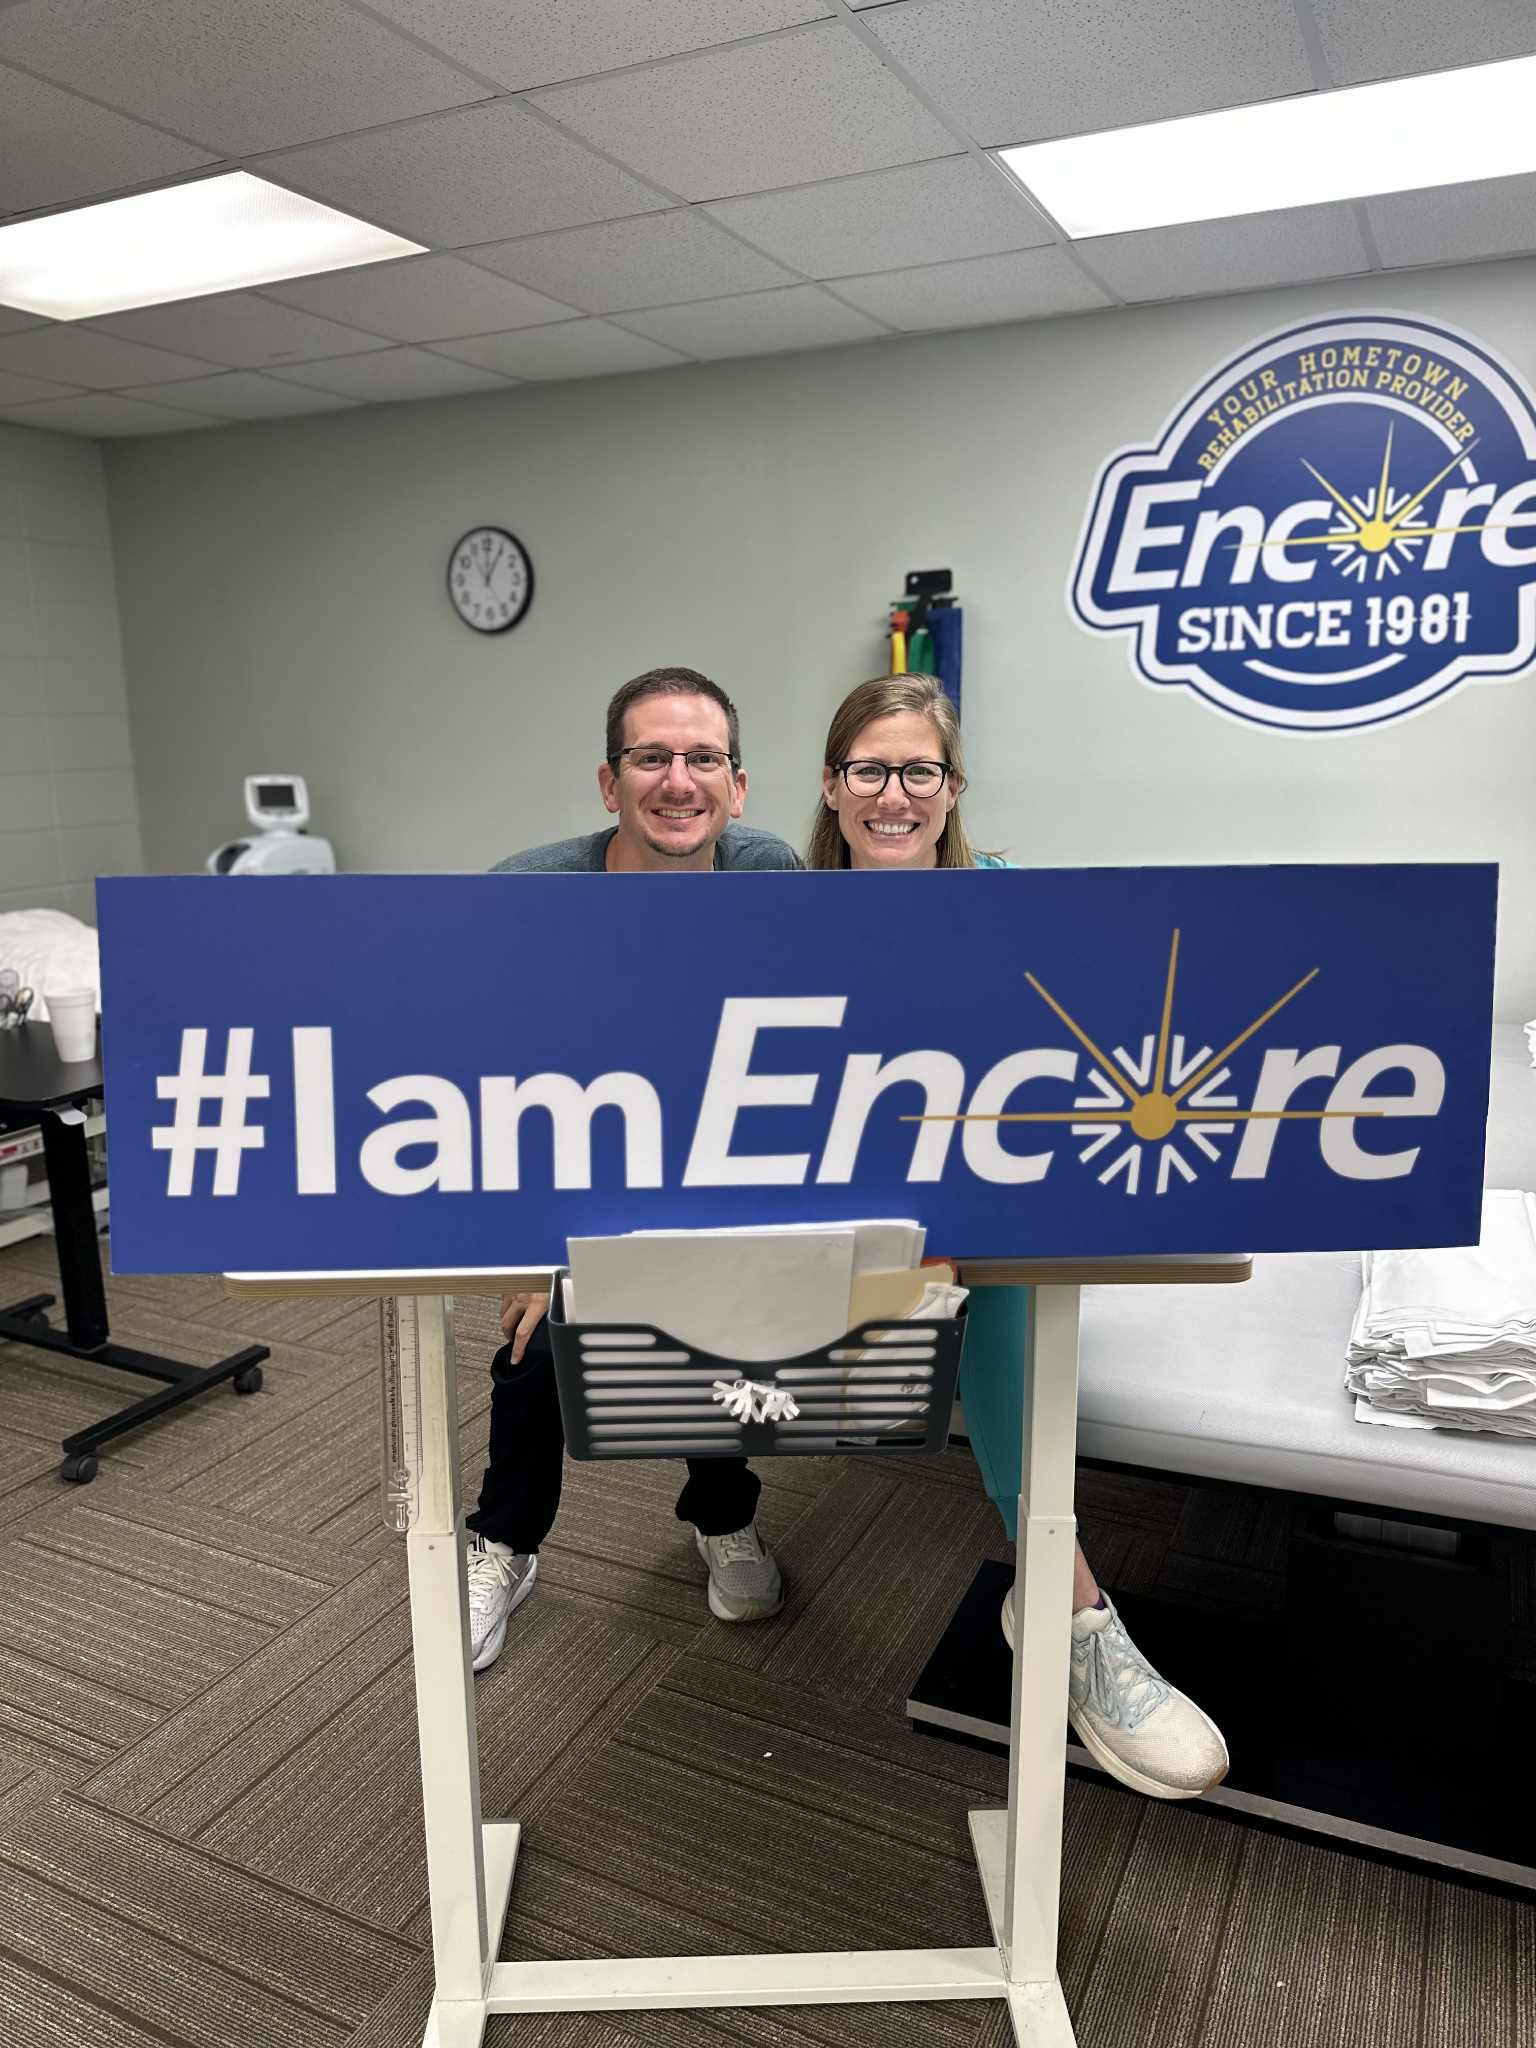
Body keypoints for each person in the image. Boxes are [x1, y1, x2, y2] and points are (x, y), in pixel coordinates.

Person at [809, 672, 1229, 1803]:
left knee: (1000, 1260)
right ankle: (1063, 1594)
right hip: (838, 1194)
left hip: (982, 1192)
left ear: (954, 788)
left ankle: (1064, 1596)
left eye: (920, 771)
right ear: (832, 785)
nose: (894, 795)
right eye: (870, 769)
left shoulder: (1014, 899)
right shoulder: (784, 919)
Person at [466, 665, 797, 1672]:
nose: (678, 780)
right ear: (610, 783)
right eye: (651, 757)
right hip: (576, 1150)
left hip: (714, 1156)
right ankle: (505, 1541)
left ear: (737, 785)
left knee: (713, 1308)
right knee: (542, 1330)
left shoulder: (770, 875)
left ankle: (724, 1514)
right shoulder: (527, 894)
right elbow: (500, 1082)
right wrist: (538, 1254)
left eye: (703, 758)